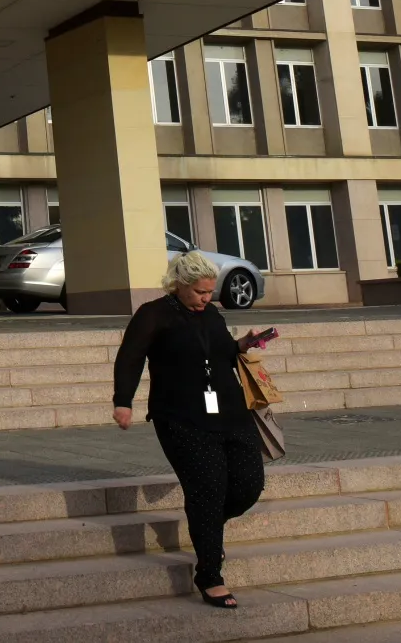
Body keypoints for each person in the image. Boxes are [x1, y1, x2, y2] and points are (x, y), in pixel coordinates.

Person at [111, 249, 269, 608]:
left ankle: (207, 528)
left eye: (210, 291)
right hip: (181, 418)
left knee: (249, 485)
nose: (206, 298)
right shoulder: (153, 315)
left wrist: (243, 344)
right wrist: (123, 400)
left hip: (230, 413)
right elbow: (131, 356)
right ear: (179, 285)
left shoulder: (211, 313)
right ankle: (210, 575)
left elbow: (222, 353)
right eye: (199, 292)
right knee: (208, 490)